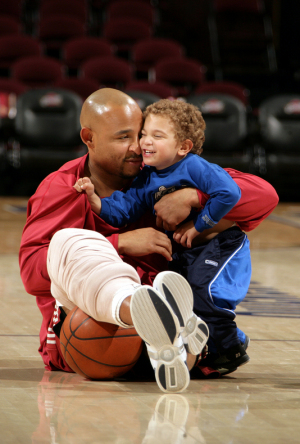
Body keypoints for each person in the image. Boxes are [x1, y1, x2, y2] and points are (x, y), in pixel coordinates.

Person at [19, 88, 278, 388]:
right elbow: (32, 273)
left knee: (207, 258)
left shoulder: (161, 172)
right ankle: (154, 319)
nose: (137, 147)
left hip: (156, 337)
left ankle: (169, 337)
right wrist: (120, 244)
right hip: (91, 329)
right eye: (122, 137)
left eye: (140, 135)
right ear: (89, 138)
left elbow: (264, 196)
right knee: (68, 243)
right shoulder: (65, 188)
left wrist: (193, 197)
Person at [74, 99, 242, 248]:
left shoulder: (194, 166)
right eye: (144, 134)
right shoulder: (146, 176)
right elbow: (125, 208)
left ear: (183, 147)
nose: (145, 141)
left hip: (218, 246)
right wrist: (95, 201)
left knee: (211, 285)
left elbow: (229, 193)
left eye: (157, 136)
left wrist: (198, 225)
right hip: (181, 250)